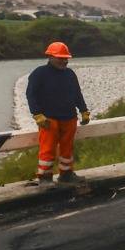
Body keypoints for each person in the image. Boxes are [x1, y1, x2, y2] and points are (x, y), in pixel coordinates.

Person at [26, 42, 90, 184]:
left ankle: (66, 174)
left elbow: (77, 94)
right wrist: (37, 114)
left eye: (65, 58)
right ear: (50, 57)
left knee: (67, 149)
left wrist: (84, 110)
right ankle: (45, 177)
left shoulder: (70, 74)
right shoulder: (39, 73)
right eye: (60, 58)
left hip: (69, 118)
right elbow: (31, 95)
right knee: (47, 149)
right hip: (49, 120)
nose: (64, 61)